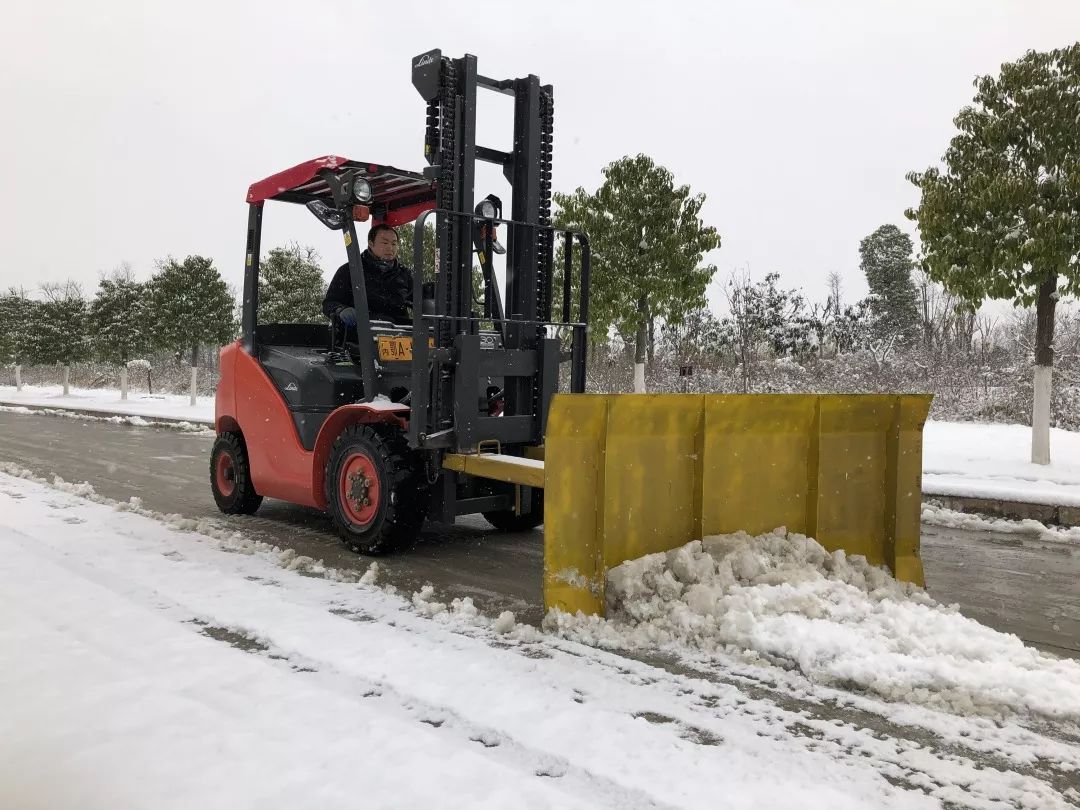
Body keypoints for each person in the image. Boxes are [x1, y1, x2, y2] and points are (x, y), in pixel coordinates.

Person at [322, 224, 414, 327]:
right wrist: (340, 310)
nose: (390, 248)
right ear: (371, 243)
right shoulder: (350, 271)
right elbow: (329, 303)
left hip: (400, 334)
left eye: (394, 244)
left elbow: (419, 302)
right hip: (359, 335)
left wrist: (429, 298)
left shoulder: (404, 275)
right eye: (384, 243)